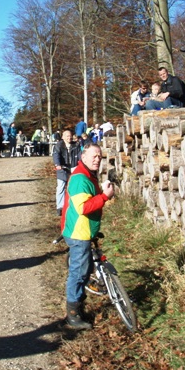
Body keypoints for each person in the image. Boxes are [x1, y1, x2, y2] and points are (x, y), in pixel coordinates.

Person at [61, 143, 115, 329]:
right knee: (78, 273)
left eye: (99, 156)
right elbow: (84, 207)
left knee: (85, 269)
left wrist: (102, 190)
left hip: (85, 230)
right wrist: (105, 196)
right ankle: (73, 315)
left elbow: (91, 199)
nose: (97, 159)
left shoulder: (89, 175)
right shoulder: (79, 179)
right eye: (93, 156)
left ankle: (79, 305)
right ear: (83, 157)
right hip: (78, 233)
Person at [53, 130, 80, 217]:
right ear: (63, 137)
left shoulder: (76, 145)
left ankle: (74, 205)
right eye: (67, 136)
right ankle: (60, 207)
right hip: (63, 168)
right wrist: (57, 164)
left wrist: (82, 162)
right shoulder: (59, 145)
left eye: (70, 136)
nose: (69, 138)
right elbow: (56, 155)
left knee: (74, 186)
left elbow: (80, 155)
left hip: (73, 167)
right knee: (60, 187)